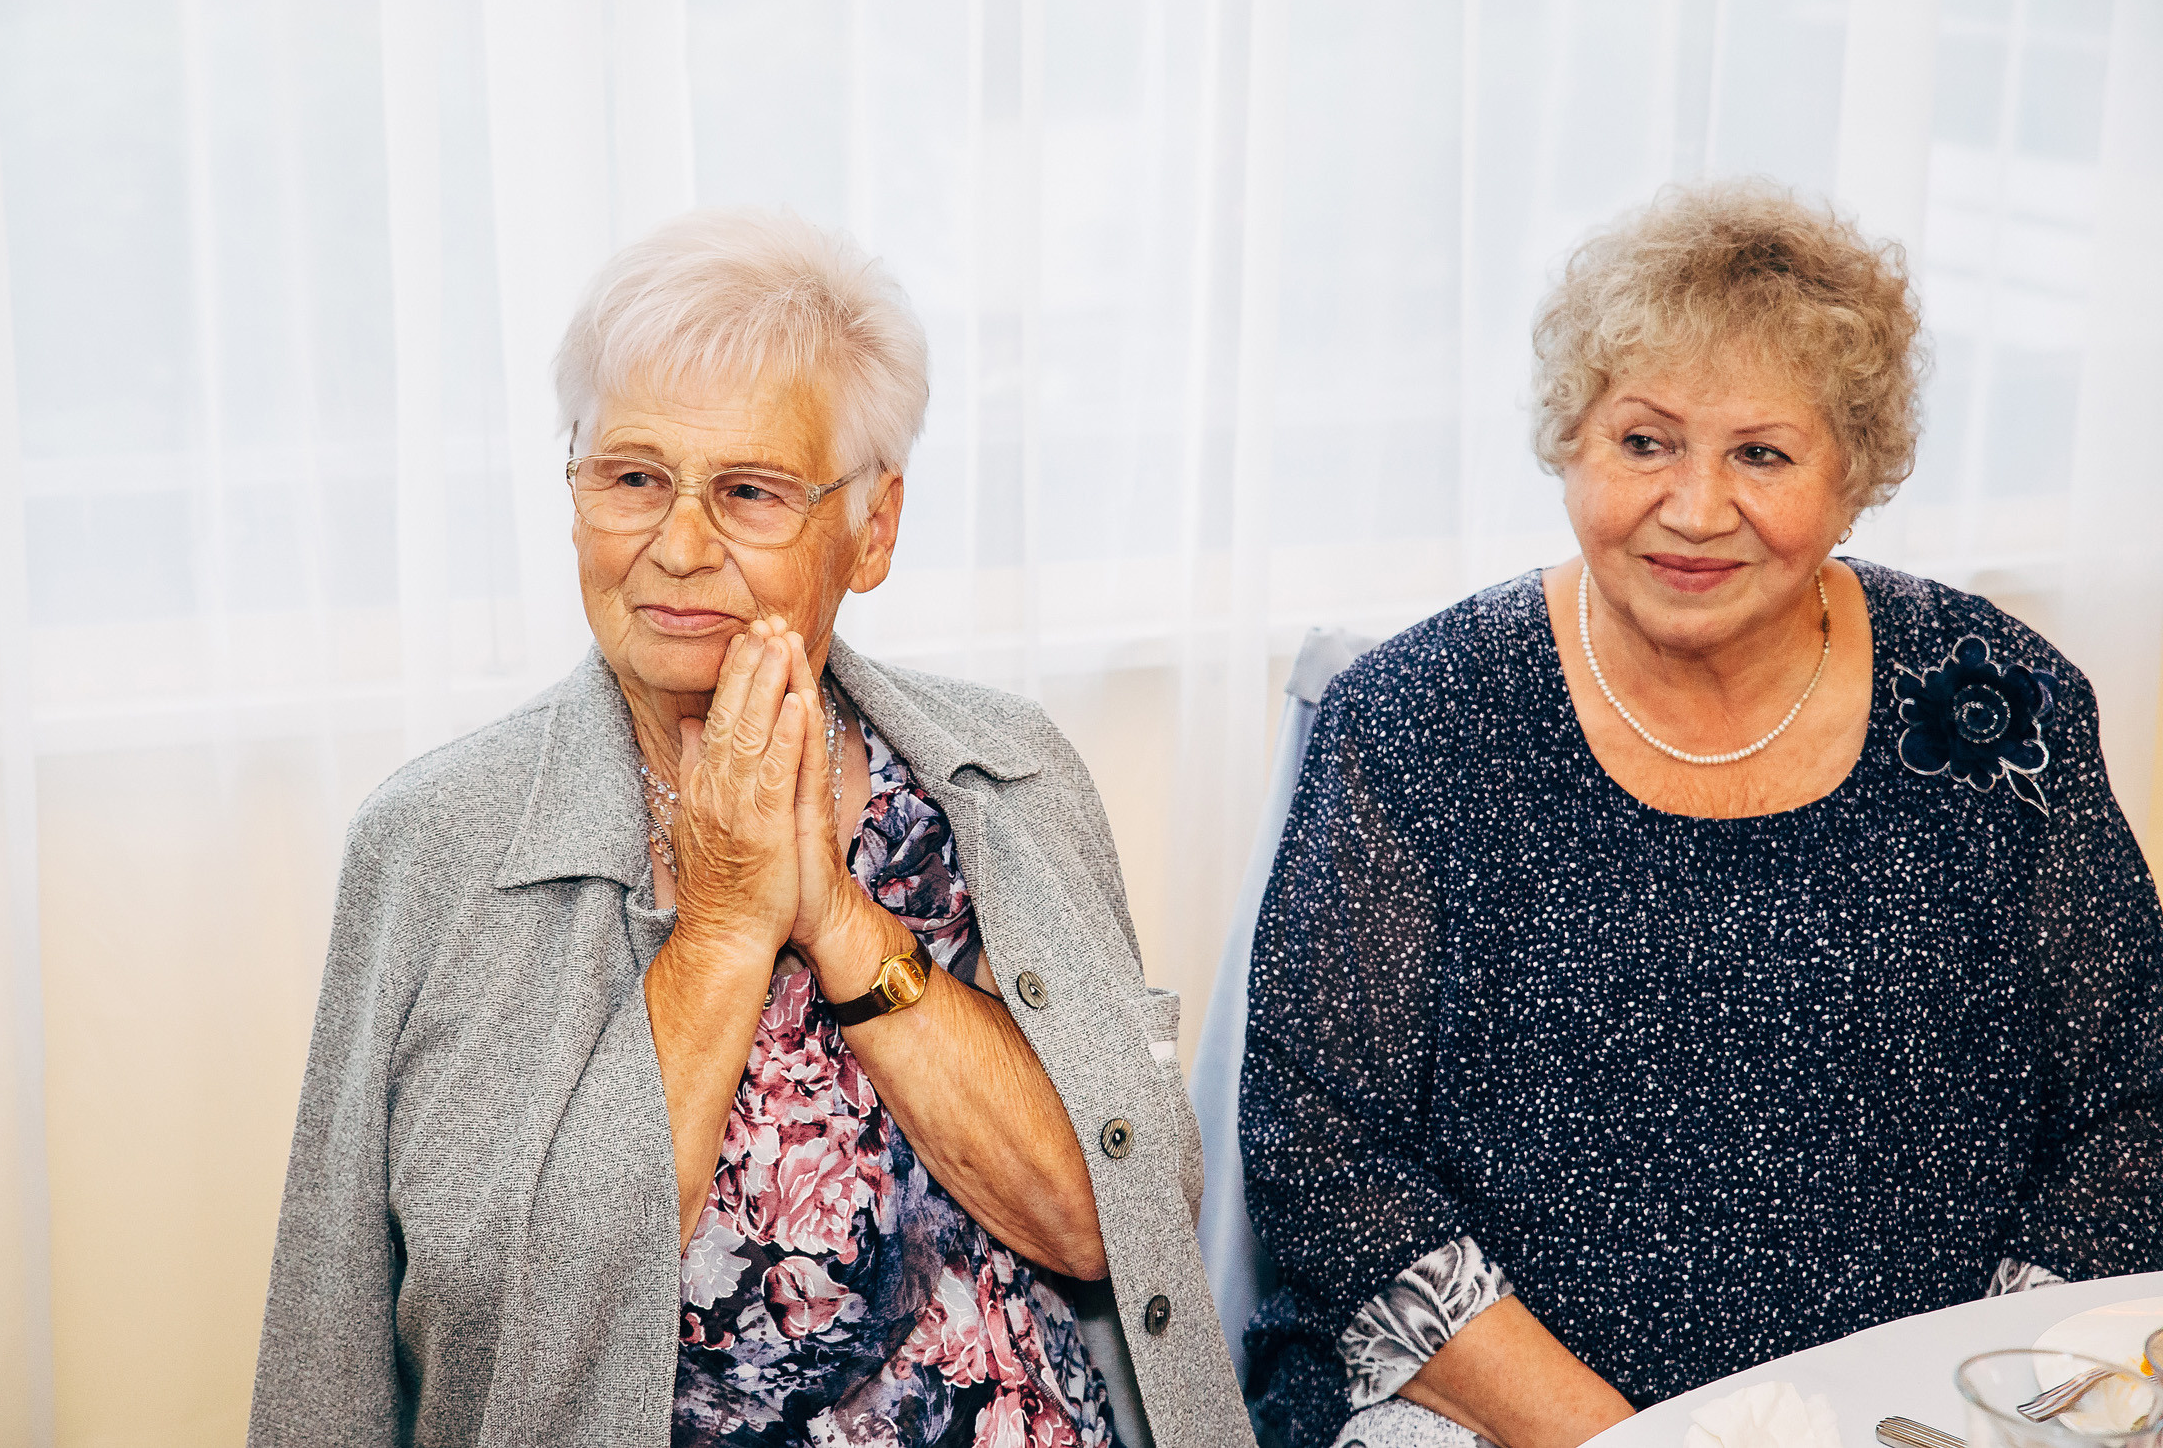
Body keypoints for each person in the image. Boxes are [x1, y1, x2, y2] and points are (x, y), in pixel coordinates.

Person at [249, 208, 1252, 1448]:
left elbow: (1112, 1215)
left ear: (871, 530)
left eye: (749, 493)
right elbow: (466, 1334)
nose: (676, 546)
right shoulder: (438, 845)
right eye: (631, 478)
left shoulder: (1002, 780)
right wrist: (725, 927)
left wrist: (830, 913)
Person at [1238, 180, 2163, 1448]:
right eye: (1644, 442)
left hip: (1943, 1406)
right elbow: (1321, 1152)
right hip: (1502, 1411)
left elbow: (2131, 1106)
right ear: (1571, 441)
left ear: (1854, 480)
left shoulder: (1998, 704)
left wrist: (1992, 1401)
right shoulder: (1419, 718)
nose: (1694, 507)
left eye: (1762, 455)